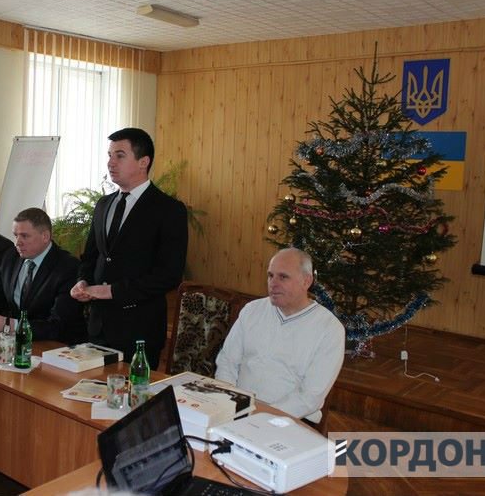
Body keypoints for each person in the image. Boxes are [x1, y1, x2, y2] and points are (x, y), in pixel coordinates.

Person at [70, 128, 187, 369]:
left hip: (139, 330)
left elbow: (169, 275)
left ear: (144, 162)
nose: (110, 162)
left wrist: (112, 291)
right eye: (109, 155)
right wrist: (83, 281)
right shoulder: (104, 204)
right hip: (98, 327)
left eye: (120, 155)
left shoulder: (168, 210)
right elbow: (90, 256)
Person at [215, 248, 345, 423]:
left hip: (291, 419)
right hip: (236, 409)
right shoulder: (252, 310)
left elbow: (310, 397)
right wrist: (229, 401)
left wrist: (260, 415)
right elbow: (227, 361)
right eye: (270, 275)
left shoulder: (329, 329)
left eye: (283, 277)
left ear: (306, 281)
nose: (273, 283)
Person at [0, 208, 85, 343]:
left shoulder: (68, 267)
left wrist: (9, 325)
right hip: (15, 342)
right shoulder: (11, 256)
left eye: (24, 236)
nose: (17, 242)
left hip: (55, 345)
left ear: (45, 236)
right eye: (15, 235)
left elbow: (58, 326)